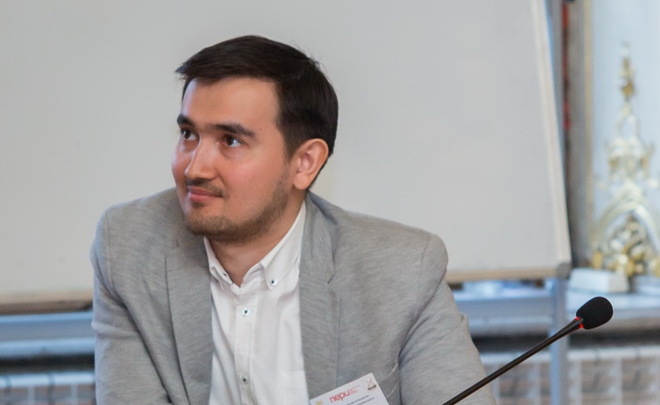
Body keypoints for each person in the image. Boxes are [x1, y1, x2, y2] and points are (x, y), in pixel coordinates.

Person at [91, 35, 495, 405]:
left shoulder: (403, 269)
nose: (195, 167)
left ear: (304, 163)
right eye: (188, 135)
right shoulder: (127, 247)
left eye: (230, 141)